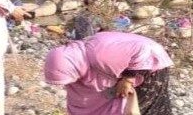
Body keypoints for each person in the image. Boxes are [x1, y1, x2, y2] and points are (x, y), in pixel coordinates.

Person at [44, 31, 173, 115]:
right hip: (130, 66)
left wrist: (127, 80)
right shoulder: (81, 58)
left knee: (145, 108)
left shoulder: (99, 55)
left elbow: (142, 49)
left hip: (149, 64)